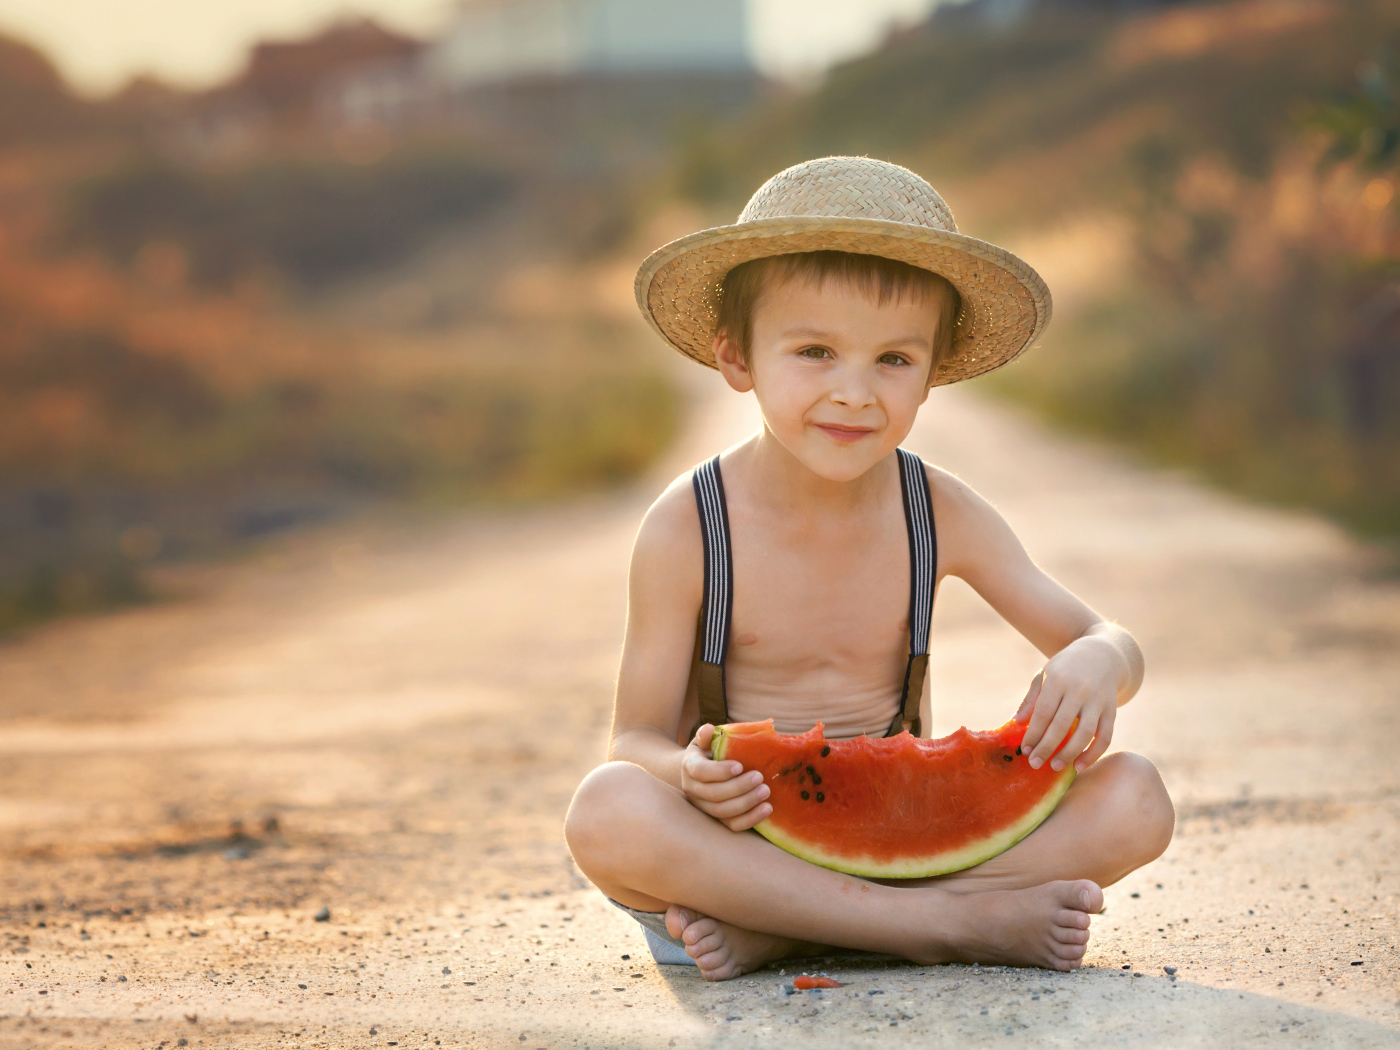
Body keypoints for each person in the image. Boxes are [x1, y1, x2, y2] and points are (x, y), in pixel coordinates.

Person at [564, 157, 1174, 981]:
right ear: (736, 360)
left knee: (1138, 798)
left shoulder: (938, 512)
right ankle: (941, 930)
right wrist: (686, 773)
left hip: (907, 850)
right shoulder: (689, 528)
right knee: (604, 809)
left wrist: (1101, 659)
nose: (854, 393)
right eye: (815, 351)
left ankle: (799, 938)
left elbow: (1103, 636)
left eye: (893, 359)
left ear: (933, 373)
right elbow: (633, 739)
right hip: (738, 855)